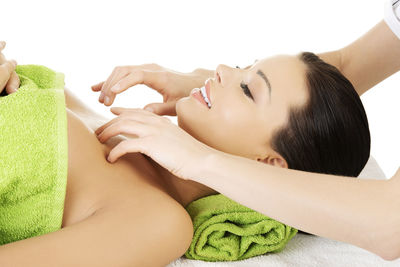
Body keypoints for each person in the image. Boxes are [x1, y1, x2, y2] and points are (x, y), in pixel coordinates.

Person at [93, 7, 400, 262]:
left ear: (268, 162)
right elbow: (344, 69)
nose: (221, 67)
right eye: (242, 67)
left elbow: (390, 221)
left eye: (248, 90)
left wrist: (197, 157)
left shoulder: (159, 221)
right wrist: (214, 89)